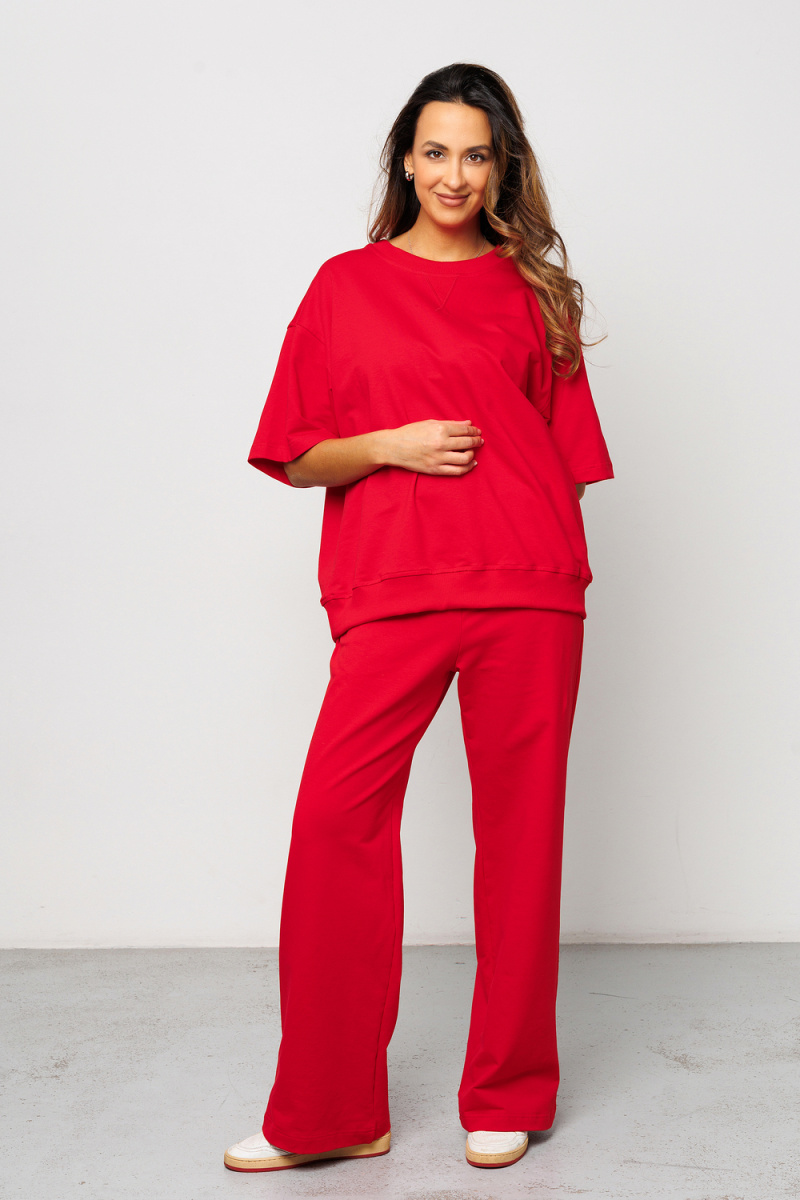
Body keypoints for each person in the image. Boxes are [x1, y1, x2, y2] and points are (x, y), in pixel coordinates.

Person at [224, 61, 614, 1175]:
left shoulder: (535, 291)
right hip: (393, 586)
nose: (453, 175)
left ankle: (509, 1091)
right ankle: (330, 1112)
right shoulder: (344, 287)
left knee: (521, 841)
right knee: (334, 827)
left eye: (476, 155)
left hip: (528, 587)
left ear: (502, 167)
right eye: (435, 151)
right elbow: (295, 453)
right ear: (405, 158)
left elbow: (566, 461)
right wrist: (391, 447)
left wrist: (541, 555)